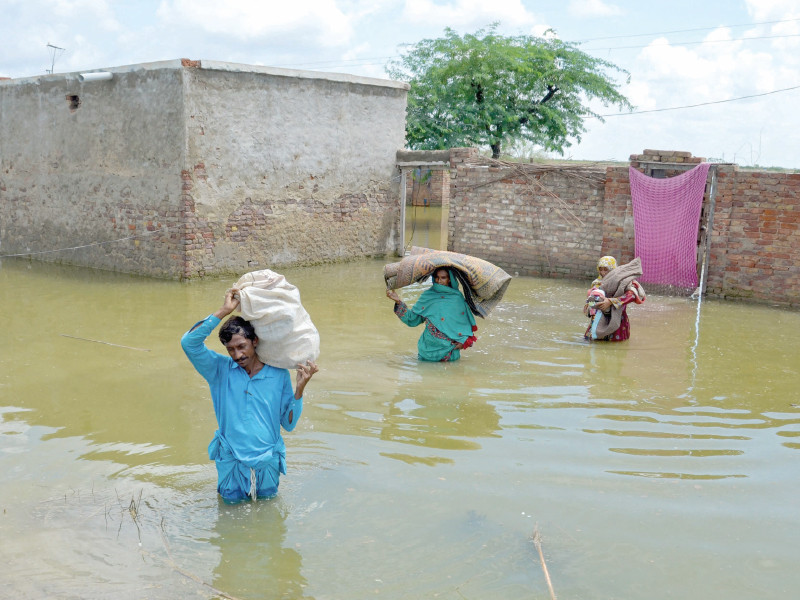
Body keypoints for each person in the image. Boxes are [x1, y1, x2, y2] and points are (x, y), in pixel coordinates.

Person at [181, 288, 318, 502]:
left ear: (254, 341)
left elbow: (288, 424)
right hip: (231, 461)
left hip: (268, 462)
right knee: (229, 515)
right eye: (231, 349)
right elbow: (189, 343)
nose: (237, 355)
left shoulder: (278, 373)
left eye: (242, 346)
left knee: (268, 517)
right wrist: (224, 311)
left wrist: (299, 390)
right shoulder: (219, 370)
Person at [386, 267, 477, 361]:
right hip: (428, 351)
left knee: (451, 375)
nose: (439, 281)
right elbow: (412, 319)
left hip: (450, 353)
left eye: (443, 277)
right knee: (426, 374)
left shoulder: (457, 298)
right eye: (437, 277)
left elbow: (464, 323)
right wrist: (398, 302)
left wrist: (463, 342)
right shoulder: (427, 296)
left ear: (449, 279)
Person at [583, 256, 645, 341]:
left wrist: (610, 301)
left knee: (614, 345)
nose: (603, 272)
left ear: (613, 269)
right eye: (601, 269)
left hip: (618, 318)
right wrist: (590, 306)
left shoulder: (624, 281)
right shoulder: (597, 283)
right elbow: (592, 298)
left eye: (606, 269)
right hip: (598, 317)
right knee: (593, 341)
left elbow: (632, 295)